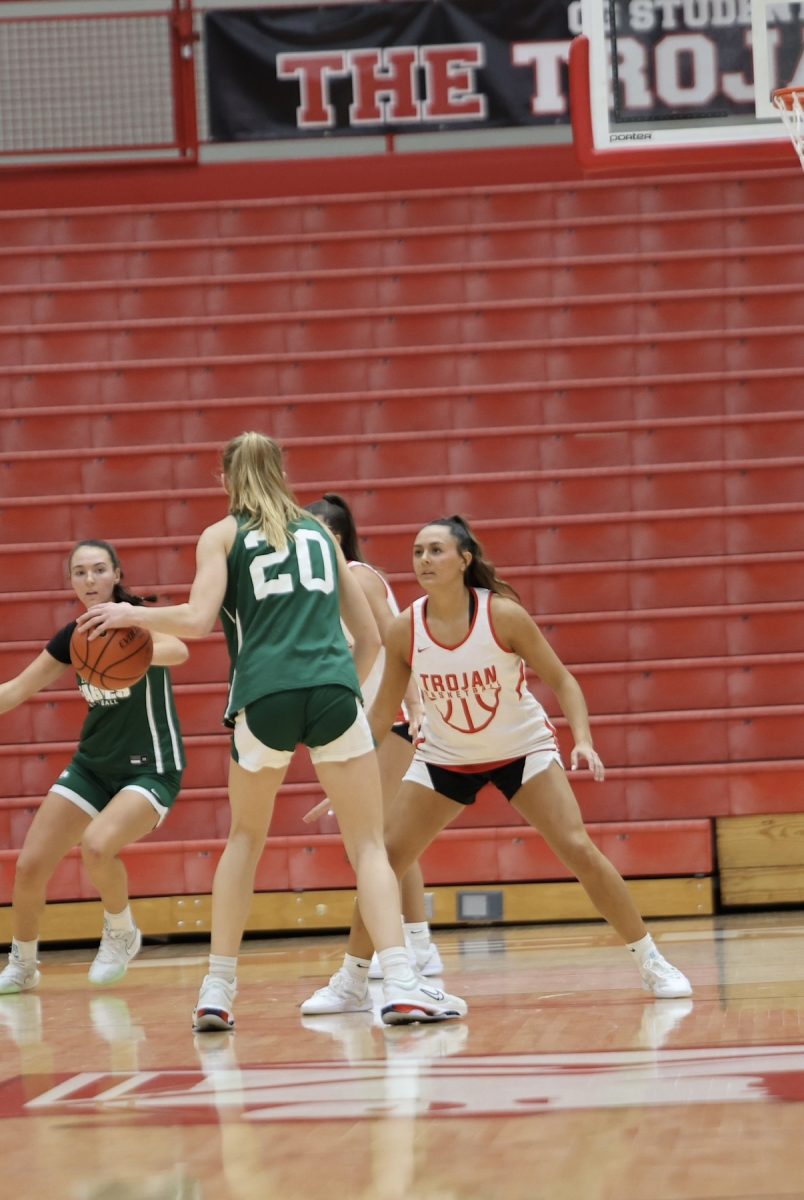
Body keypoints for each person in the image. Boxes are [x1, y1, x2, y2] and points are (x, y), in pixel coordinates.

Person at [79, 432, 467, 1030]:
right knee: (368, 846)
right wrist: (342, 694)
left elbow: (198, 620)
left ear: (226, 478)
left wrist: (132, 613)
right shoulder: (321, 535)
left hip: (264, 695)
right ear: (282, 472)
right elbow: (369, 641)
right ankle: (403, 985)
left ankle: (217, 990)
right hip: (335, 691)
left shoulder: (223, 534)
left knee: (245, 839)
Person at [301, 514, 692, 1015]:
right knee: (385, 861)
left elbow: (562, 679)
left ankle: (652, 961)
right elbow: (380, 716)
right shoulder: (406, 629)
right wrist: (343, 773)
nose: (424, 560)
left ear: (465, 560)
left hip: (521, 750)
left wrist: (584, 739)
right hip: (446, 757)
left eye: (436, 550)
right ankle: (351, 981)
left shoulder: (502, 615)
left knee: (577, 849)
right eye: (418, 551)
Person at [0, 539, 188, 994]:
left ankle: (121, 932)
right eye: (80, 572)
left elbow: (179, 649)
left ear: (117, 574)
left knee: (99, 845)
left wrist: (134, 650)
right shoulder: (73, 637)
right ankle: (23, 963)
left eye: (99, 570)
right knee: (29, 867)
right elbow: (14, 691)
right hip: (93, 766)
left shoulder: (140, 617)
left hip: (150, 767)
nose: (89, 580)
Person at [302, 493, 444, 984]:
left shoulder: (359, 577)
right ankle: (416, 944)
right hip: (361, 723)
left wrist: (418, 704)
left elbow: (395, 638)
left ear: (333, 538)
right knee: (385, 841)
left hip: (396, 717)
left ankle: (407, 946)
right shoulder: (319, 590)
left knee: (378, 842)